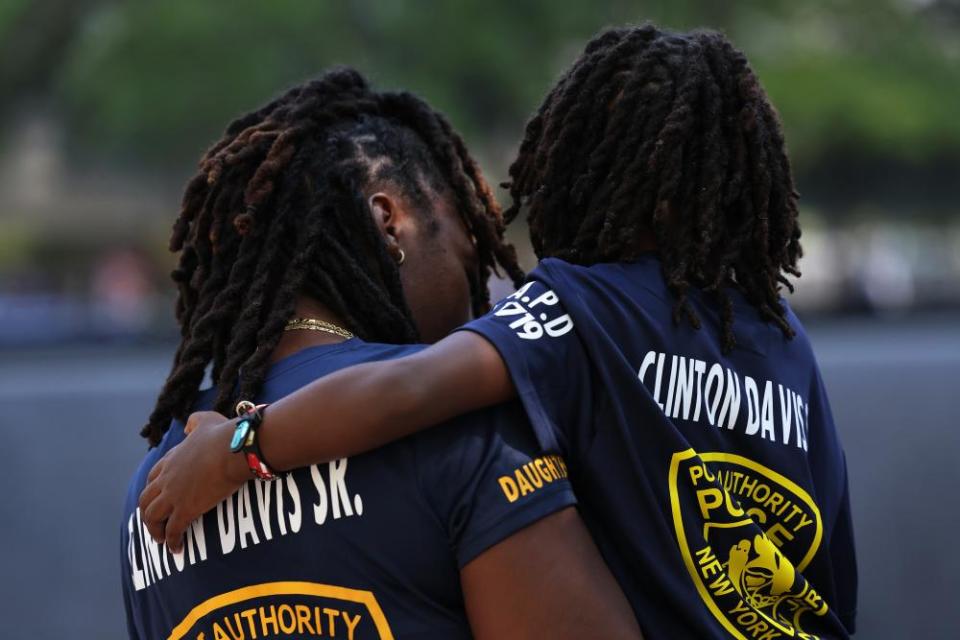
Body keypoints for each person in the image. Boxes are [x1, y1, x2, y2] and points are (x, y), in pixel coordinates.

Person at [143, 26, 858, 638]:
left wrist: (239, 449)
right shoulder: (782, 338)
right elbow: (827, 541)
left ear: (573, 169)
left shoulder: (581, 305)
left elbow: (412, 387)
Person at [122, 68, 642, 640]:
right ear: (388, 222)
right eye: (466, 244)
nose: (478, 294)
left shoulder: (159, 482)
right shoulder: (457, 424)